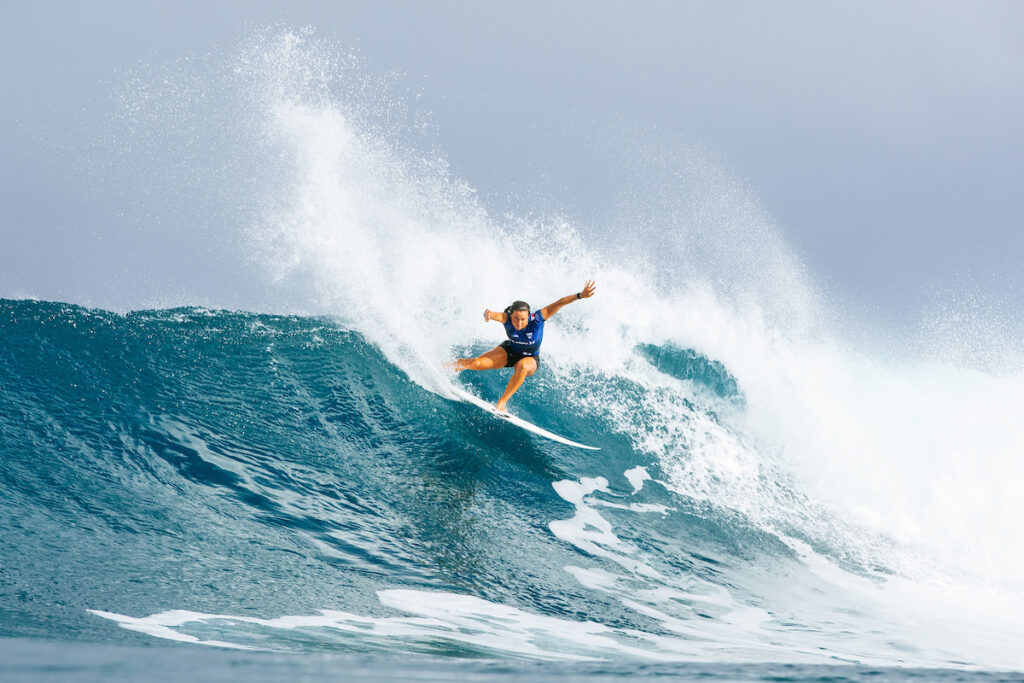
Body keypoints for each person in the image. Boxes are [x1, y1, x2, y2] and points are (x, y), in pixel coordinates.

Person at [448, 280, 596, 413]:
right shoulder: (506, 318)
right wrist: (488, 315)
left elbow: (560, 302)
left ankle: (502, 402)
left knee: (522, 366)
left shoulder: (538, 319)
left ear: (529, 316)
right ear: (510, 315)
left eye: (523, 319)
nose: (519, 324)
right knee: (476, 363)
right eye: (516, 319)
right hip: (510, 350)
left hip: (531, 358)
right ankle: (444, 366)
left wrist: (580, 295)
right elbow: (493, 315)